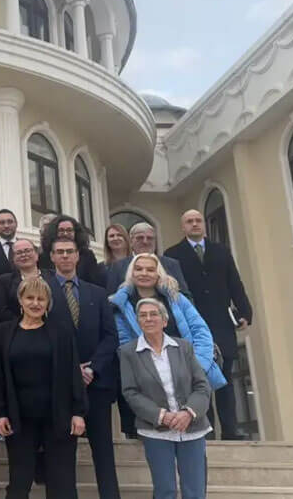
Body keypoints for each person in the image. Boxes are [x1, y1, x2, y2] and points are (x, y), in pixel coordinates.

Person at [0, 276, 86, 498]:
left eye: (41, 299)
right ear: (20, 300)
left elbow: (73, 373)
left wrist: (78, 412)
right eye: (30, 298)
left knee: (62, 482)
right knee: (19, 481)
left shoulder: (61, 332)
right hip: (20, 418)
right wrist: (1, 412)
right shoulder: (5, 332)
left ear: (47, 303)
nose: (35, 303)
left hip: (58, 417)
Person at [164, 209, 253, 440]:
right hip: (191, 327)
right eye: (189, 221)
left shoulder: (221, 251)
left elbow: (235, 282)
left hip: (221, 324)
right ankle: (206, 431)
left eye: (198, 220)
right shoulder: (172, 255)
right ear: (183, 227)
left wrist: (245, 312)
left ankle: (231, 431)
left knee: (225, 379)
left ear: (203, 224)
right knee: (198, 380)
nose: (194, 224)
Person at [45, 237, 121, 499]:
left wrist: (92, 369)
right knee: (63, 455)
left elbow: (110, 336)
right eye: (60, 252)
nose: (65, 256)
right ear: (52, 257)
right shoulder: (42, 292)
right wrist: (70, 370)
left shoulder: (97, 293)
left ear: (78, 256)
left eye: (70, 252)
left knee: (104, 452)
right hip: (61, 386)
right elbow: (40, 336)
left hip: (96, 384)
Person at [119, 298, 212, 499]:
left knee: (195, 491)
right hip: (155, 430)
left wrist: (188, 412)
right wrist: (161, 416)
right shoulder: (128, 353)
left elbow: (202, 386)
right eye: (143, 315)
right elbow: (130, 392)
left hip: (192, 427)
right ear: (138, 321)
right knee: (165, 490)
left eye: (154, 314)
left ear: (165, 320)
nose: (148, 318)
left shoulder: (184, 347)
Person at [109, 254, 225, 388]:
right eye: (139, 269)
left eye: (150, 270)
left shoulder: (175, 297)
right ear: (131, 273)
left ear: (158, 274)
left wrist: (198, 367)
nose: (144, 273)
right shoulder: (121, 305)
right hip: (150, 379)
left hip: (189, 369)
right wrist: (149, 375)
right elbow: (125, 343)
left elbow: (200, 331)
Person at [106, 223, 190, 297]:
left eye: (150, 238)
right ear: (131, 241)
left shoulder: (171, 264)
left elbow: (185, 295)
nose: (145, 242)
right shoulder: (118, 267)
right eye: (140, 238)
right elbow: (111, 298)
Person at [38, 215, 106, 285]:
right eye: (61, 230)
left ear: (76, 232)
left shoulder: (87, 255)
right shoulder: (44, 257)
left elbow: (94, 283)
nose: (65, 233)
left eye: (69, 230)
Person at [0, 238, 40, 324]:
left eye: (27, 251)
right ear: (13, 258)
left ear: (36, 254)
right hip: (18, 327)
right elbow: (2, 311)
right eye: (19, 253)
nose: (24, 255)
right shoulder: (4, 281)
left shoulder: (52, 276)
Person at [0, 208, 18, 275]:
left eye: (10, 222)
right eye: (1, 223)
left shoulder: (29, 248)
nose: (6, 226)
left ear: (16, 224)